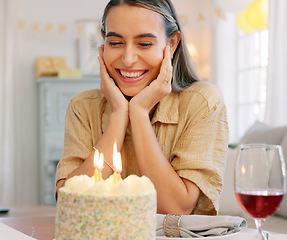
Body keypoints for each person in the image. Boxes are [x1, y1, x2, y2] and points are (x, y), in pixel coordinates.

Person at [55, 0, 228, 215]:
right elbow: (71, 207)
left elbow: (176, 208)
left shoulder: (203, 101)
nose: (127, 60)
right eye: (115, 43)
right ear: (103, 45)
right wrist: (119, 115)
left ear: (172, 44)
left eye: (144, 44)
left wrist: (138, 113)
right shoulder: (82, 106)